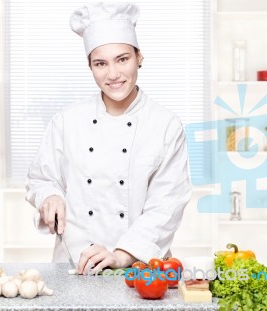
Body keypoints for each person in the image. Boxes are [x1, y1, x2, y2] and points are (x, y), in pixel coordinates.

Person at [26, 2, 191, 275]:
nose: (113, 74)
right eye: (100, 63)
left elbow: (166, 206)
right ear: (90, 66)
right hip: (73, 266)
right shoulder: (67, 121)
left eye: (122, 59)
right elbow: (41, 179)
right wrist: (50, 196)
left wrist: (121, 255)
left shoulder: (165, 125)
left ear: (140, 57)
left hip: (141, 270)